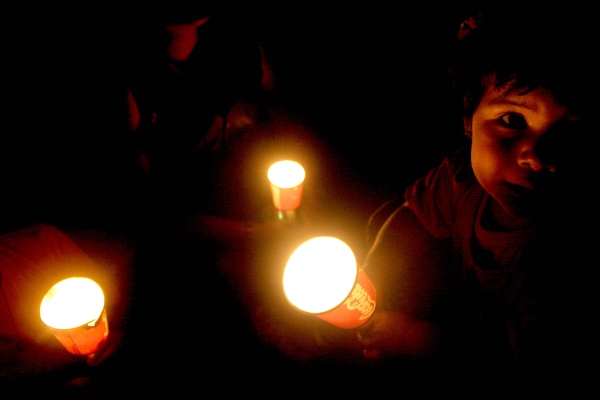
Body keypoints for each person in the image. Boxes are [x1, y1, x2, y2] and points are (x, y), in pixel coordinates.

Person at [351, 3, 598, 383]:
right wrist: (364, 284)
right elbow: (411, 217)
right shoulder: (461, 177)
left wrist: (412, 338)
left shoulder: (561, 268)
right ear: (469, 118)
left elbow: (513, 366)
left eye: (573, 133)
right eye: (512, 120)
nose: (536, 155)